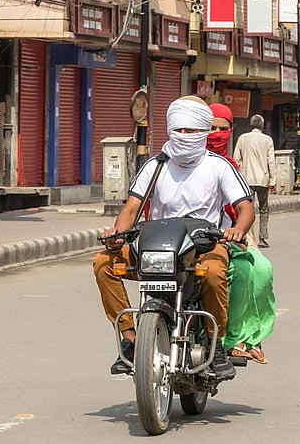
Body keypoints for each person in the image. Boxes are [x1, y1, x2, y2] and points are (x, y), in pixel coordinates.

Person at [94, 96, 255, 379]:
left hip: (204, 246)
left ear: (204, 131)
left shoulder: (218, 166)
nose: (183, 136)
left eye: (191, 131)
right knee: (103, 263)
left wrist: (238, 229)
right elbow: (131, 208)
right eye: (178, 130)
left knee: (216, 272)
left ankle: (216, 344)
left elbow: (245, 207)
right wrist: (117, 234)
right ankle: (130, 338)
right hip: (158, 246)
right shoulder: (155, 166)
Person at [207, 104, 275, 365]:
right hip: (189, 236)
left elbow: (241, 213)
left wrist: (249, 240)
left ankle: (243, 337)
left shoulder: (230, 167)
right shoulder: (181, 163)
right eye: (211, 128)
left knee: (260, 269)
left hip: (231, 228)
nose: (217, 134)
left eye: (223, 129)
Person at [233, 114, 276, 248]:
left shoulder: (242, 138)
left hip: (246, 180)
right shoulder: (267, 139)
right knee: (264, 209)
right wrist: (273, 180)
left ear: (251, 125)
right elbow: (271, 161)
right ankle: (263, 238)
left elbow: (236, 160)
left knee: (248, 209)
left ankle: (249, 237)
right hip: (263, 179)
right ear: (262, 126)